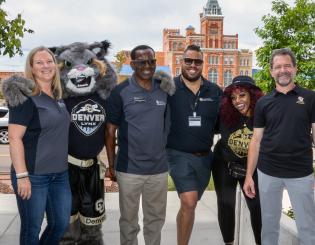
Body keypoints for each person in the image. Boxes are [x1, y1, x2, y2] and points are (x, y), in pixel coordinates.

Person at [243, 48, 315, 245]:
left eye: (287, 66)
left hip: (301, 173)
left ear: (295, 69)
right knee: (269, 225)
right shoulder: (263, 103)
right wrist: (249, 175)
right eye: (278, 67)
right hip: (268, 172)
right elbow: (256, 140)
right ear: (271, 71)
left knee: (308, 226)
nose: (283, 70)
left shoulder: (310, 98)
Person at [2, 46, 71, 245]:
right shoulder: (25, 97)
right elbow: (14, 138)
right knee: (31, 229)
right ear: (31, 68)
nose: (45, 66)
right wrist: (22, 176)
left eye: (49, 61)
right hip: (32, 175)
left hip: (60, 174)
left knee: (60, 223)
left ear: (55, 66)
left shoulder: (58, 97)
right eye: (39, 62)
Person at [105, 44, 174, 245]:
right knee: (129, 222)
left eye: (151, 61)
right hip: (129, 169)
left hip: (158, 170)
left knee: (155, 221)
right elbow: (110, 132)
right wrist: (111, 166)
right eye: (142, 62)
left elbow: (168, 125)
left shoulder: (164, 89)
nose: (147, 65)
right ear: (133, 64)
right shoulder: (120, 91)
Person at [166, 44, 222, 245]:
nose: (192, 65)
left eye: (197, 61)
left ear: (202, 64)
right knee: (189, 201)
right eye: (188, 60)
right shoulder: (168, 88)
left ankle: (182, 230)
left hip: (204, 158)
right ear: (181, 62)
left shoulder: (215, 91)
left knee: (189, 205)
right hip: (177, 155)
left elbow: (222, 123)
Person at [212, 75, 263, 245]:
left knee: (257, 208)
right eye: (233, 97)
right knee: (226, 205)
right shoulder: (225, 114)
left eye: (242, 95)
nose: (237, 101)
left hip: (251, 166)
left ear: (252, 95)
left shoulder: (263, 116)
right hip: (224, 163)